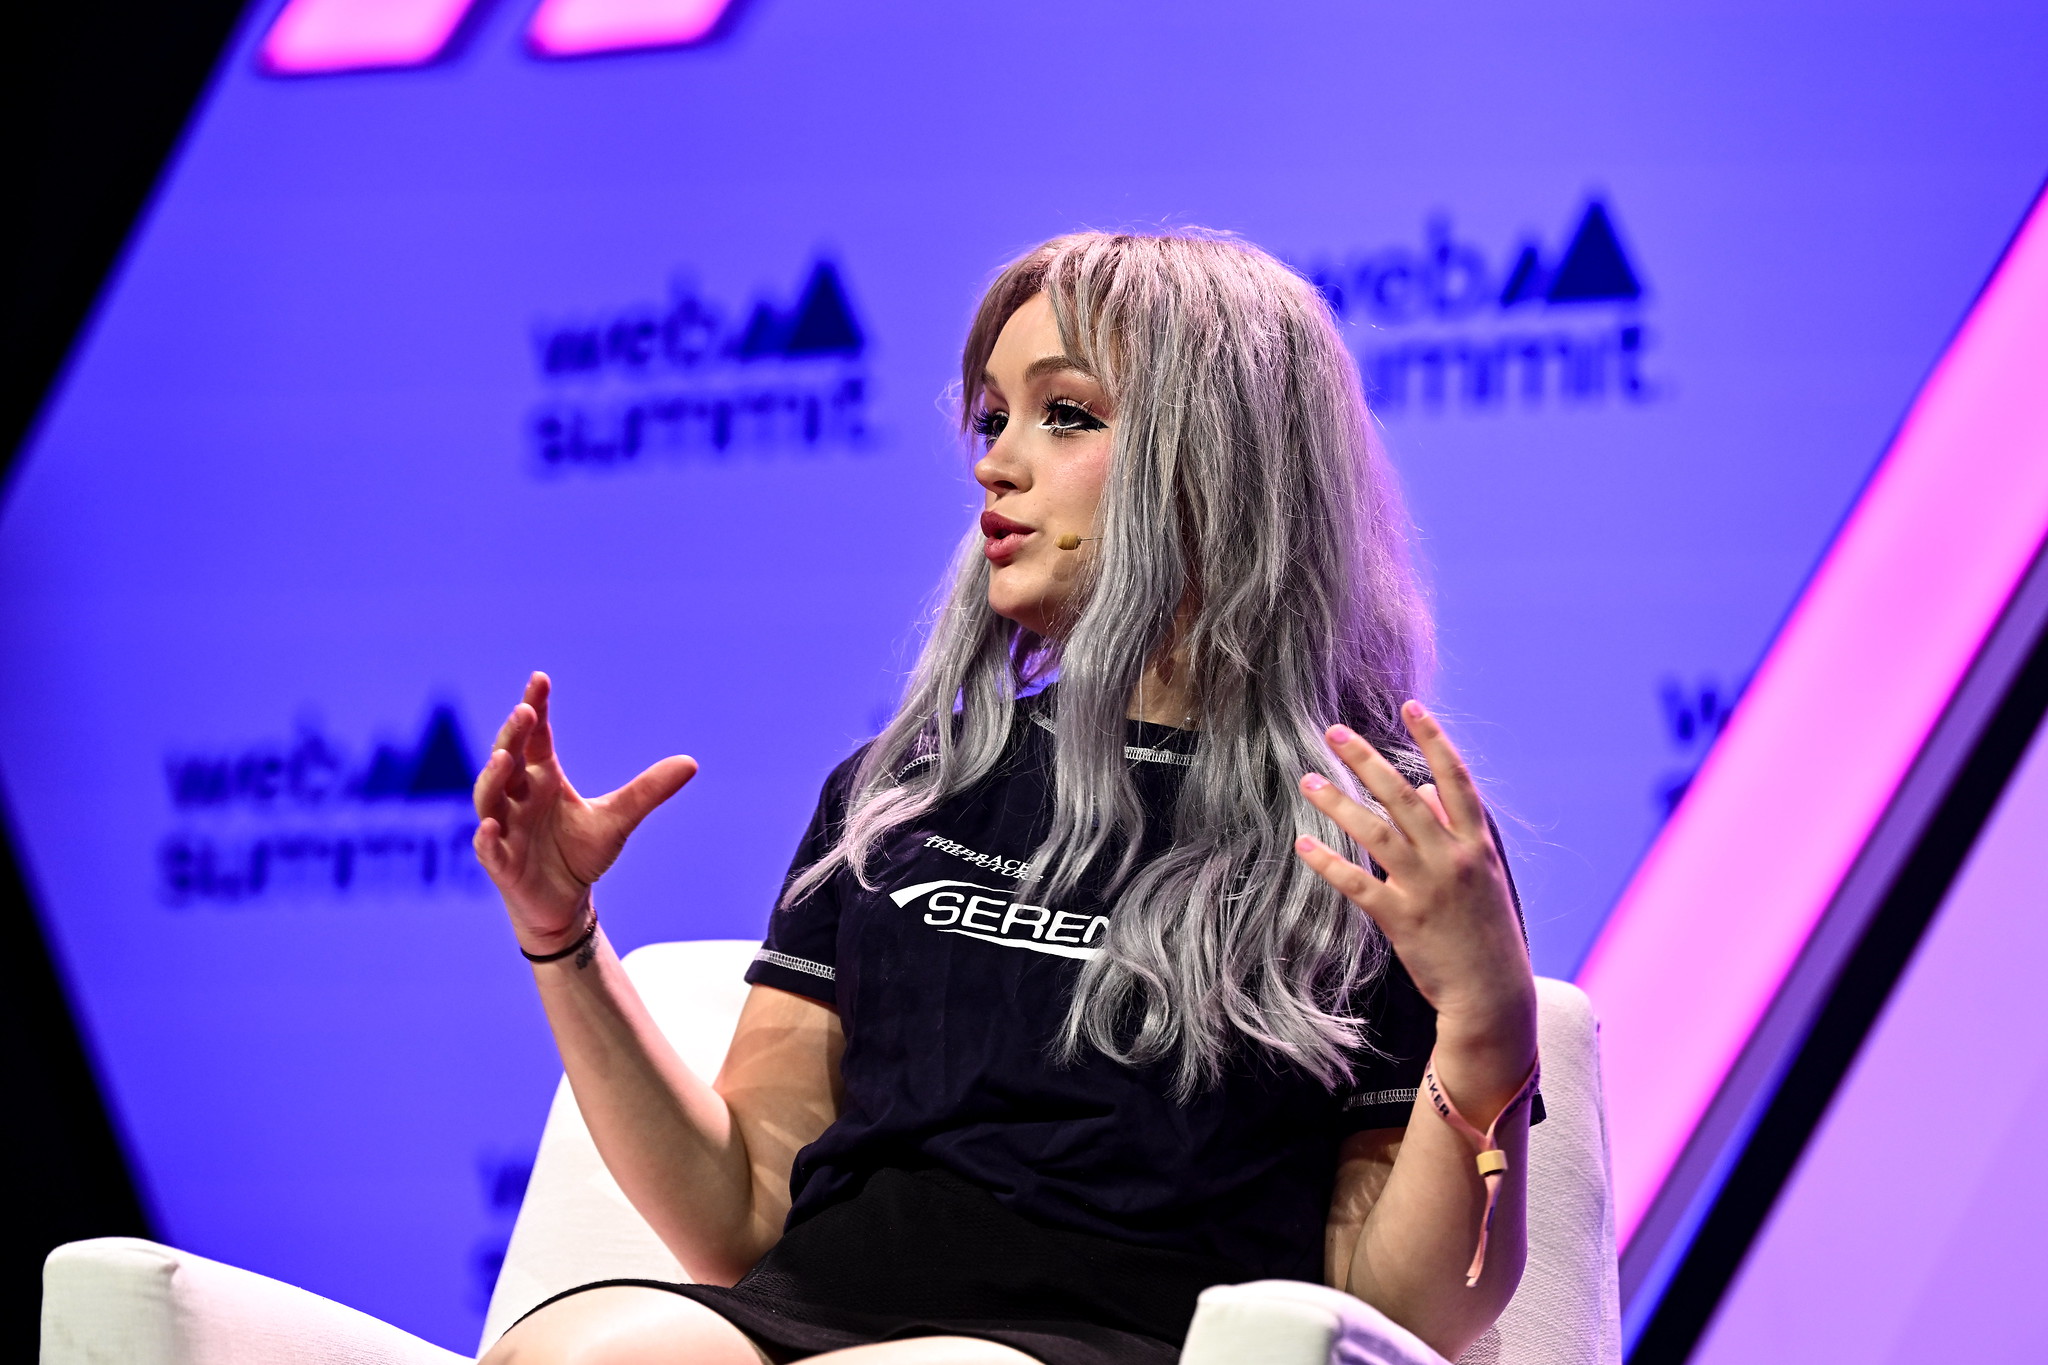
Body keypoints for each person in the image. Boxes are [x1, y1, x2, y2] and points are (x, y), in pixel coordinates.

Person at [472, 231, 1539, 1365]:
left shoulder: (1371, 831)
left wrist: (1483, 1025)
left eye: (1066, 414)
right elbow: (743, 1213)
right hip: (819, 1319)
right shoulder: (906, 788)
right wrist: (561, 934)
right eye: (992, 419)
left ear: (1217, 459)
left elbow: (1401, 1312)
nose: (994, 462)